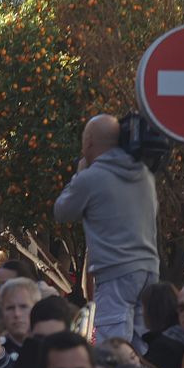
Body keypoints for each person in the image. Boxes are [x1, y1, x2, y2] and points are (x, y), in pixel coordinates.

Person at [53, 114, 159, 346]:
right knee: (141, 344)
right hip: (149, 269)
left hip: (115, 271)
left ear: (88, 141)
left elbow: (62, 212)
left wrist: (80, 172)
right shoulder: (145, 174)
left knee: (113, 345)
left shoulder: (91, 177)